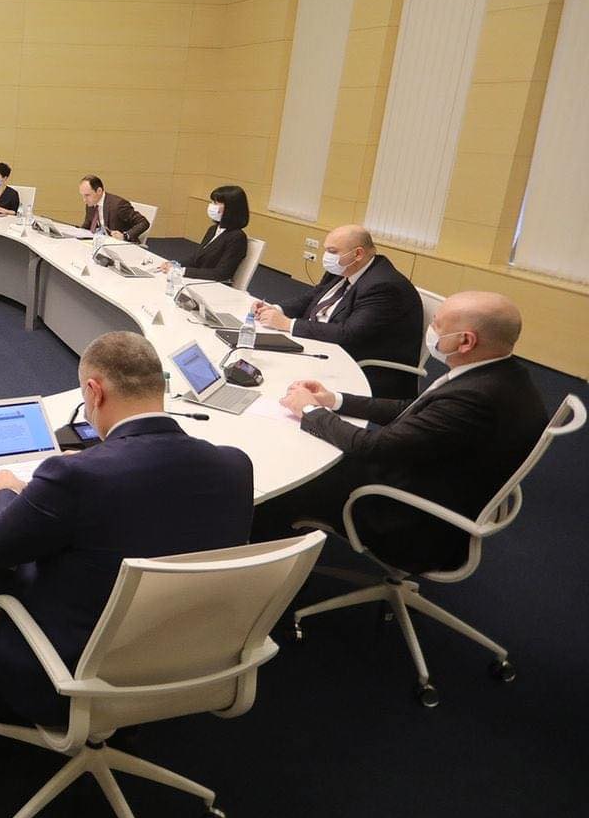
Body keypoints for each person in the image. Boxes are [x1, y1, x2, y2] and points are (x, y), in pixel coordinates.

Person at [0, 332, 253, 727]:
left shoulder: (74, 476)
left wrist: (5, 492)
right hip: (192, 659)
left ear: (94, 391)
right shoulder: (234, 466)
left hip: (75, 677)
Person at [256, 292, 547, 575]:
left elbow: (373, 447)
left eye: (437, 325)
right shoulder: (502, 374)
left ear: (466, 341)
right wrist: (333, 400)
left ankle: (269, 580)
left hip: (409, 518)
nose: (430, 330)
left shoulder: (474, 398)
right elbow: (412, 409)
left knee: (287, 479)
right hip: (439, 480)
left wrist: (309, 411)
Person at [251, 224, 422, 399]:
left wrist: (288, 324)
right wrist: (276, 309)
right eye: (326, 250)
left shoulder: (383, 286)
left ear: (358, 254)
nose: (326, 257)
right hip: (320, 342)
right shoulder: (343, 268)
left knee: (276, 383)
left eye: (332, 251)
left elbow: (349, 333)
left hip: (358, 365)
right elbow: (312, 297)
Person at [157, 185, 250, 284]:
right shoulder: (213, 229)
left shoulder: (237, 237)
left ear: (231, 208)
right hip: (199, 280)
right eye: (212, 202)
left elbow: (221, 273)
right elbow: (196, 258)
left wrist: (182, 271)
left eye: (216, 203)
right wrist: (175, 265)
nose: (212, 206)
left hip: (212, 285)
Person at [77, 174, 149, 243]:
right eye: (82, 195)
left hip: (122, 244)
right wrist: (77, 233)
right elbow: (88, 224)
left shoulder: (118, 205)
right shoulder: (91, 203)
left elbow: (144, 223)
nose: (84, 200)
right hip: (103, 241)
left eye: (87, 195)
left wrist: (125, 236)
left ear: (99, 191)